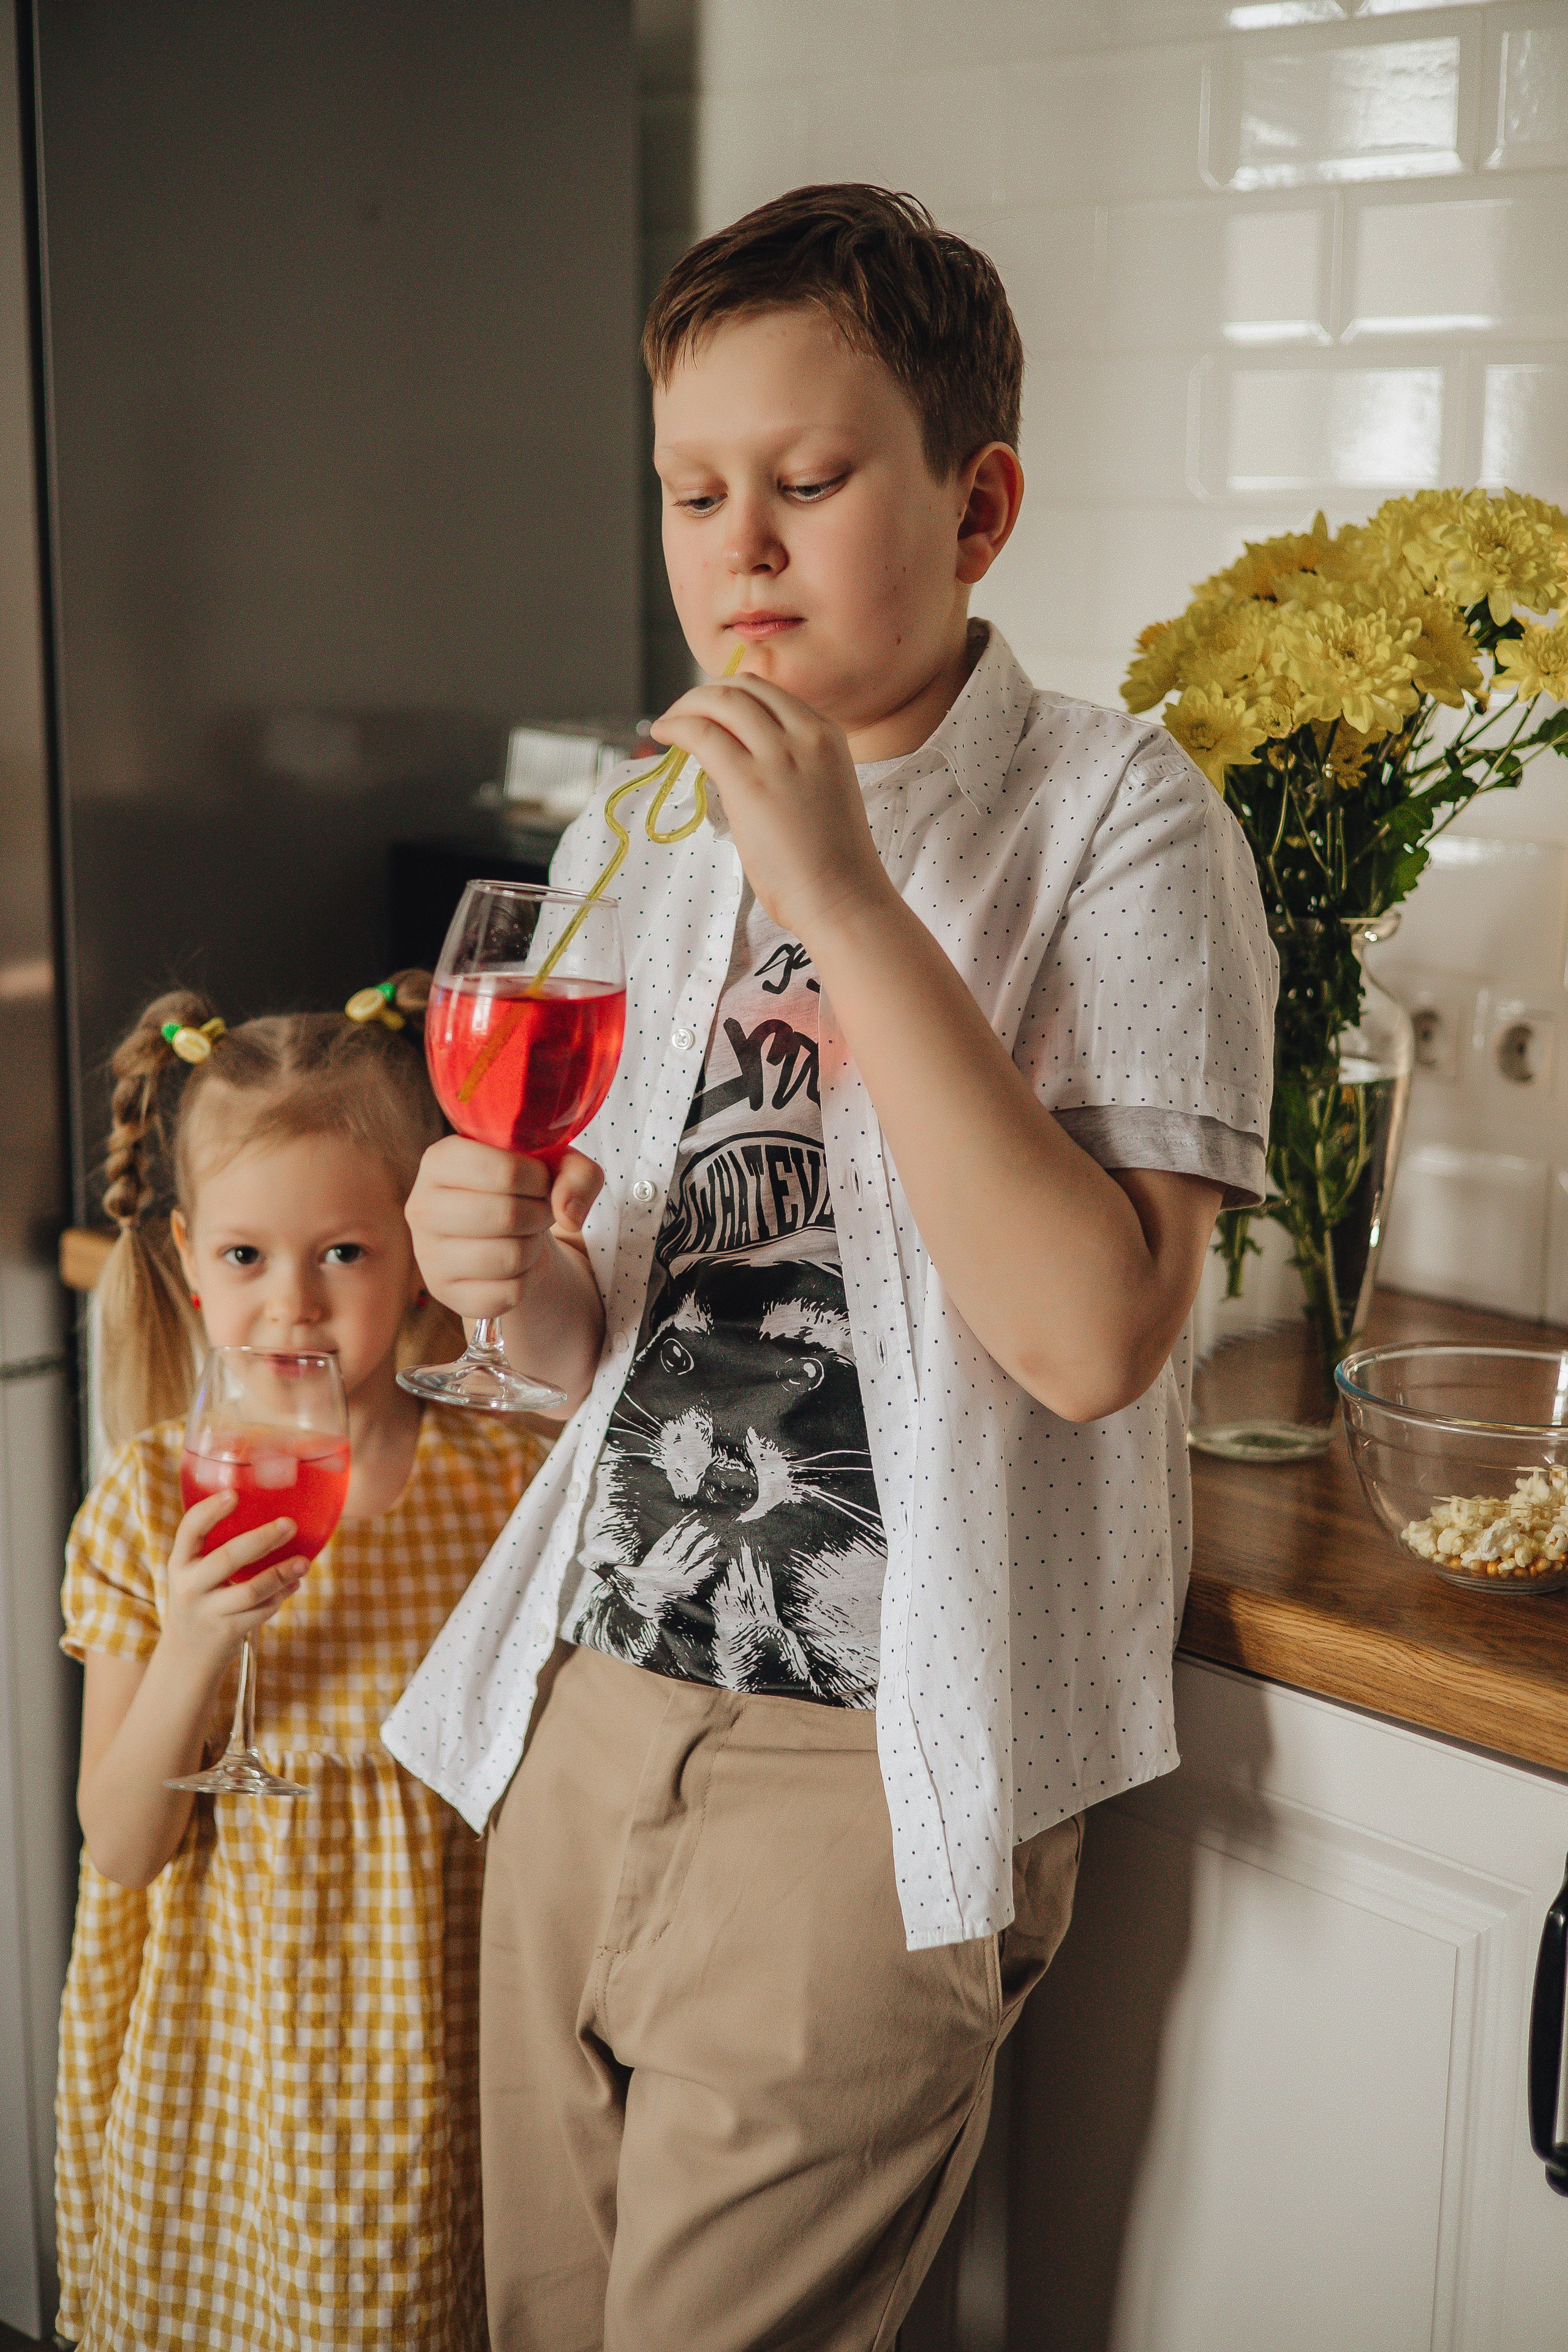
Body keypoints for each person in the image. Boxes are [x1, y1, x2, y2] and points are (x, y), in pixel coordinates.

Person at [388, 183, 1276, 2350]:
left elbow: (1089, 1339)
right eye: (696, 491)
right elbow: (597, 1327)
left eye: (808, 480)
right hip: (584, 1706)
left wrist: (848, 895)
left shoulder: (1122, 822)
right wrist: (492, 1264)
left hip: (869, 1763)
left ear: (977, 507)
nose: (740, 547)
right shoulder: (635, 829)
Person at [55, 979, 547, 2352]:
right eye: (246, 1258)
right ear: (184, 1262)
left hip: (442, 2036)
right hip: (242, 2053)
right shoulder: (156, 1506)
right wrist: (200, 1638)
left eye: (343, 1253)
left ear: (418, 1253)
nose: (293, 1306)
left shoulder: (502, 1483)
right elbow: (119, 1845)